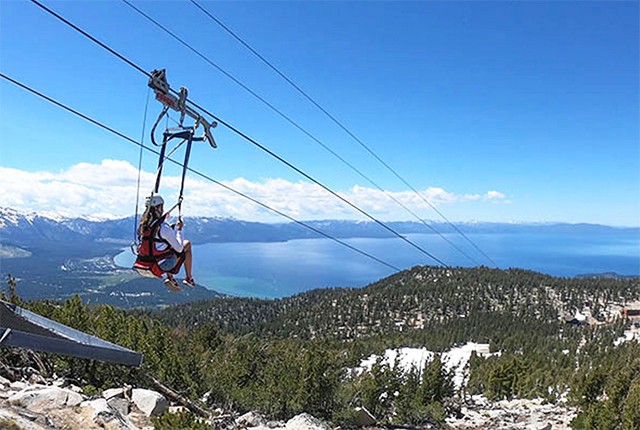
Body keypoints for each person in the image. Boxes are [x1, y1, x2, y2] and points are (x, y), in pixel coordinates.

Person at [139, 195, 195, 291]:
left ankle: (170, 277)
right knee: (187, 244)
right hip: (163, 264)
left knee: (166, 246)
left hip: (147, 262)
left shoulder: (143, 226)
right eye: (161, 206)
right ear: (158, 208)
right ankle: (188, 278)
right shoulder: (163, 227)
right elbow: (179, 248)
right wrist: (179, 230)